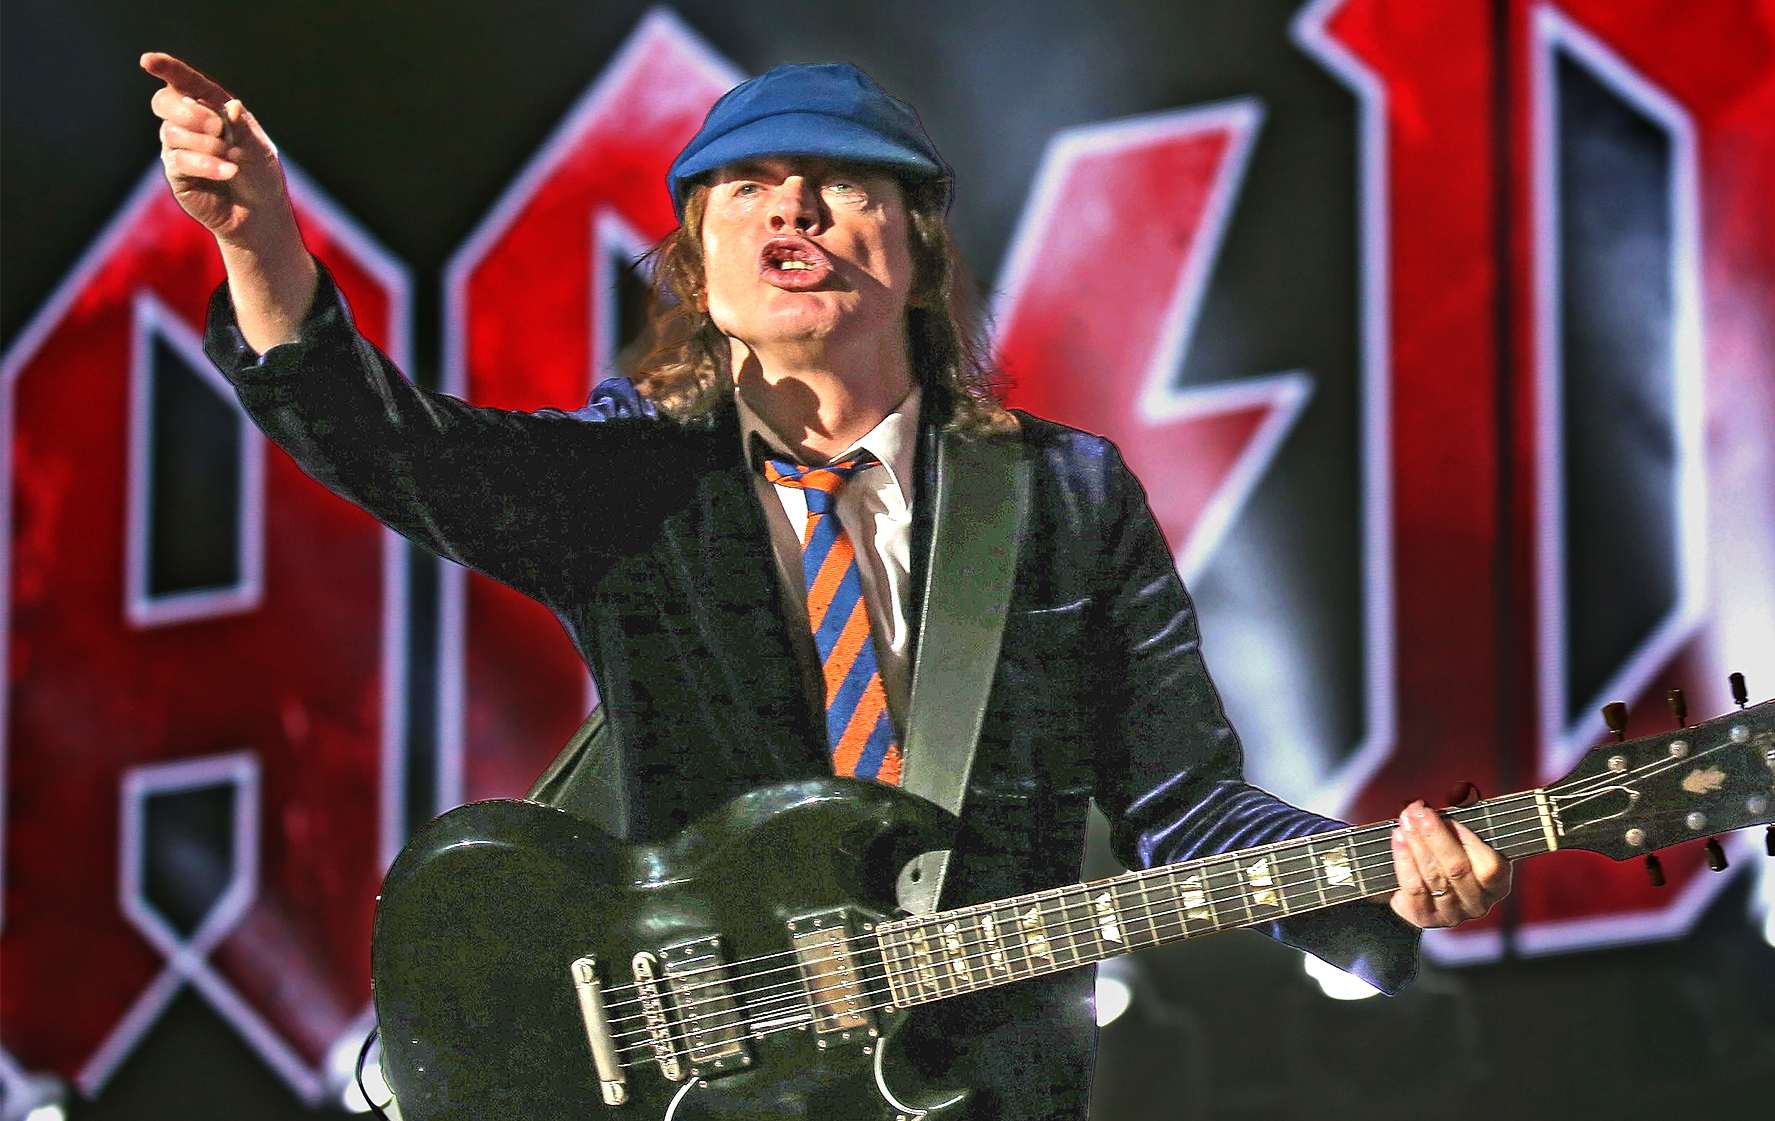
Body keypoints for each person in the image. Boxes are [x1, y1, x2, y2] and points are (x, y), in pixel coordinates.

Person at [145, 52, 1511, 1119]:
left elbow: (1177, 798)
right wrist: (260, 245)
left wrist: (1366, 891)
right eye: (748, 188)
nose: (792, 205)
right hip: (701, 1082)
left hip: (981, 1083)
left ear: (916, 250)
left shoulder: (1064, 496)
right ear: (697, 264)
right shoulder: (640, 484)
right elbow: (404, 453)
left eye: (843, 182)